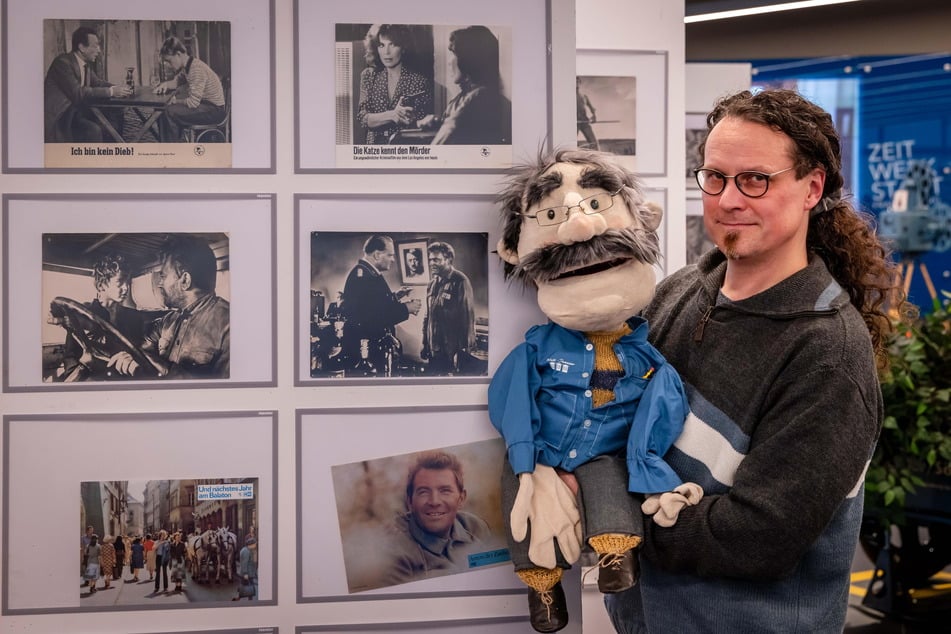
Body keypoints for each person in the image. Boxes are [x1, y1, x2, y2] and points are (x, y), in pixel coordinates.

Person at [604, 88, 910, 633]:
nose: (727, 200)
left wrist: (608, 517)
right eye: (715, 177)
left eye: (755, 180)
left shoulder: (827, 354)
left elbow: (757, 539)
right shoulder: (677, 293)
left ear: (812, 187)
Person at [491, 148, 691, 633]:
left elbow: (660, 412)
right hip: (542, 451)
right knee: (525, 509)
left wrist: (652, 470)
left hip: (604, 453)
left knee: (610, 486)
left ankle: (616, 559)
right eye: (555, 216)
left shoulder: (648, 358)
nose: (580, 228)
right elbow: (512, 401)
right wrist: (526, 462)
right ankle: (543, 590)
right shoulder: (536, 350)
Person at [107, 235, 230, 379]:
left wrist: (167, 370)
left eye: (163, 276)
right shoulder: (167, 321)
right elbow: (140, 348)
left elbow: (224, 394)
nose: (160, 284)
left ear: (184, 280)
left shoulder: (230, 326)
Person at [381, 450, 493, 587]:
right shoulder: (395, 553)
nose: (434, 501)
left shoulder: (476, 528)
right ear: (410, 501)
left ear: (461, 498)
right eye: (423, 492)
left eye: (445, 491)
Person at [417, 26, 512, 145]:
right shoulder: (459, 100)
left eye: (453, 54)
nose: (449, 61)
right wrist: (440, 123)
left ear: (469, 59)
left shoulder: (478, 97)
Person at [341, 235, 422, 373]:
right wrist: (406, 308)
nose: (393, 259)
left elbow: (375, 303)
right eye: (390, 255)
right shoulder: (364, 277)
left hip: (371, 345)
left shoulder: (368, 273)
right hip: (368, 350)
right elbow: (374, 317)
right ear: (377, 255)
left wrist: (396, 296)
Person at [44, 26, 132, 142]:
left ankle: (114, 150)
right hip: (62, 117)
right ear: (82, 47)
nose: (99, 50)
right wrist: (111, 92)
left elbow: (98, 83)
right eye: (95, 46)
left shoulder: (84, 64)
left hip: (76, 112)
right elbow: (78, 93)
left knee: (115, 114)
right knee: (94, 130)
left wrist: (117, 88)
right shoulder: (62, 63)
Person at [356, 24, 432, 145]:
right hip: (374, 151)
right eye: (382, 45)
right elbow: (363, 119)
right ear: (376, 48)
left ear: (403, 47)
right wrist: (392, 115)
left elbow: (421, 126)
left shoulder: (419, 81)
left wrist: (412, 119)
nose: (387, 52)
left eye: (393, 44)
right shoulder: (368, 76)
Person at [154, 36, 227, 142]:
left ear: (178, 54)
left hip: (214, 111)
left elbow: (193, 103)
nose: (169, 65)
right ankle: (169, 145)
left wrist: (174, 101)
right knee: (164, 111)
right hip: (206, 106)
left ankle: (171, 151)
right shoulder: (188, 66)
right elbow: (175, 82)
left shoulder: (195, 69)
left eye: (169, 61)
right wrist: (164, 85)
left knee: (168, 112)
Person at [421, 241, 476, 375]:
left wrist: (463, 352)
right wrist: (425, 344)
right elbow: (428, 317)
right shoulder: (432, 284)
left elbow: (467, 319)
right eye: (430, 260)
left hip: (452, 351)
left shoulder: (460, 281)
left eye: (436, 260)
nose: (431, 263)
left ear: (449, 259)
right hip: (434, 349)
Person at [576, 78, 600, 150]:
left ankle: (595, 158)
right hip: (574, 123)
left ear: (580, 83)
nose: (576, 83)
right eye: (574, 82)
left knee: (594, 143)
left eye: (578, 81)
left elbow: (592, 108)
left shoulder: (584, 96)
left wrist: (594, 116)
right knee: (571, 144)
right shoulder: (568, 96)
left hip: (585, 121)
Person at [233, 535, 258, 601]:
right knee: (249, 587)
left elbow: (253, 562)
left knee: (245, 586)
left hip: (249, 573)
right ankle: (249, 601)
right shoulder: (246, 551)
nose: (255, 545)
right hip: (247, 574)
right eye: (255, 544)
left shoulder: (249, 550)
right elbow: (244, 563)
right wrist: (245, 573)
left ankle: (239, 598)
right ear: (251, 544)